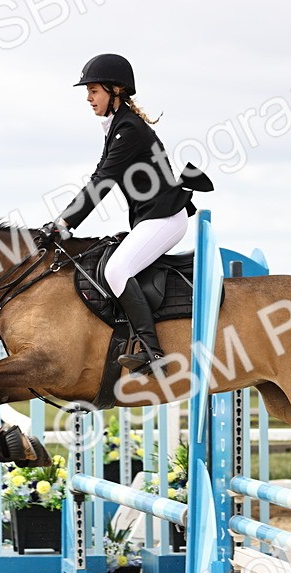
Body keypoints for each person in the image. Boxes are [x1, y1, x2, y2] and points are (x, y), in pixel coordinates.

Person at [40, 53, 211, 376]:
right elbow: (100, 174)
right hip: (152, 217)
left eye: (93, 91)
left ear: (115, 90)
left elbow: (103, 181)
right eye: (88, 93)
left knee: (116, 270)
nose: (89, 99)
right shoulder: (119, 126)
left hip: (165, 218)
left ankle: (151, 352)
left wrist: (64, 223)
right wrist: (62, 222)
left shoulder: (129, 128)